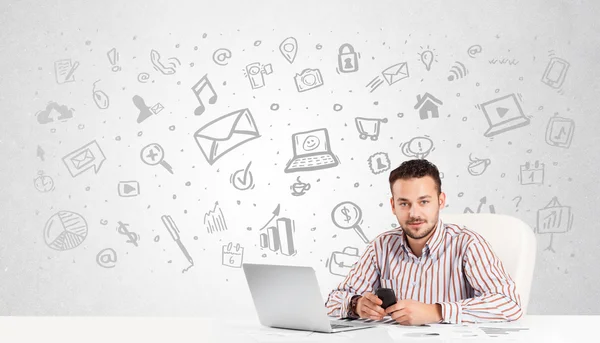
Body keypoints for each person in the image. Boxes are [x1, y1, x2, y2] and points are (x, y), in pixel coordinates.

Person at [325, 159, 523, 325]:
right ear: (393, 206)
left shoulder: (468, 244)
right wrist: (356, 305)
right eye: (404, 203)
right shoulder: (381, 246)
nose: (414, 213)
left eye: (424, 202)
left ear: (441, 200)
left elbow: (510, 304)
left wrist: (437, 312)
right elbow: (332, 302)